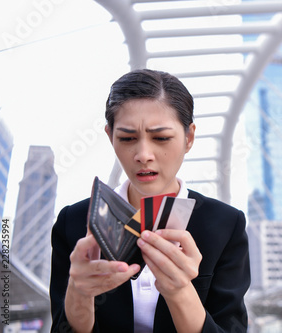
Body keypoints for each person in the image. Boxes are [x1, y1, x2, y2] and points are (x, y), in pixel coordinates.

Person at [50, 69, 251, 332]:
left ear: (189, 137)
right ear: (110, 137)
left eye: (161, 138)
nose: (143, 154)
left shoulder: (225, 225)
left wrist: (180, 291)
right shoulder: (74, 222)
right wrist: (79, 292)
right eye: (127, 138)